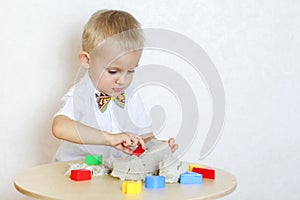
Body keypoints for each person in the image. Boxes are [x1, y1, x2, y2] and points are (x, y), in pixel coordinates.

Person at [52, 9, 178, 161]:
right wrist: (109, 138)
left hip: (112, 171)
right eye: (113, 71)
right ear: (87, 60)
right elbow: (59, 126)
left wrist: (158, 147)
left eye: (130, 71)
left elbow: (145, 137)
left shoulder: (131, 96)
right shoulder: (81, 93)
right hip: (76, 171)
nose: (122, 80)